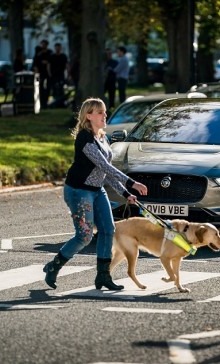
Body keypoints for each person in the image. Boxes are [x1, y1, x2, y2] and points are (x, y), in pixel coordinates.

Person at [43, 97, 148, 291]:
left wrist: (125, 194)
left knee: (108, 230)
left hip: (97, 190)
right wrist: (132, 183)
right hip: (79, 191)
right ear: (88, 115)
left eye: (105, 112)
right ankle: (53, 266)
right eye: (100, 112)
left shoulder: (102, 137)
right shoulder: (85, 137)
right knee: (84, 236)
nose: (104, 115)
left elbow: (105, 174)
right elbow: (104, 166)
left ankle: (103, 277)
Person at [33, 39, 53, 108]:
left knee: (47, 88)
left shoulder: (49, 52)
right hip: (40, 73)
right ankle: (41, 102)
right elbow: (35, 63)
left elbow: (50, 62)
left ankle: (45, 102)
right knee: (40, 87)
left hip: (47, 73)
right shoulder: (38, 52)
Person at [49, 43, 70, 107]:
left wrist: (68, 74)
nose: (57, 48)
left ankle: (61, 103)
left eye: (58, 47)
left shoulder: (63, 56)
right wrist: (50, 74)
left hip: (61, 75)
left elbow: (67, 66)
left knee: (61, 89)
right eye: (56, 47)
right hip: (54, 75)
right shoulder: (52, 56)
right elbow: (49, 65)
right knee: (55, 89)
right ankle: (56, 103)